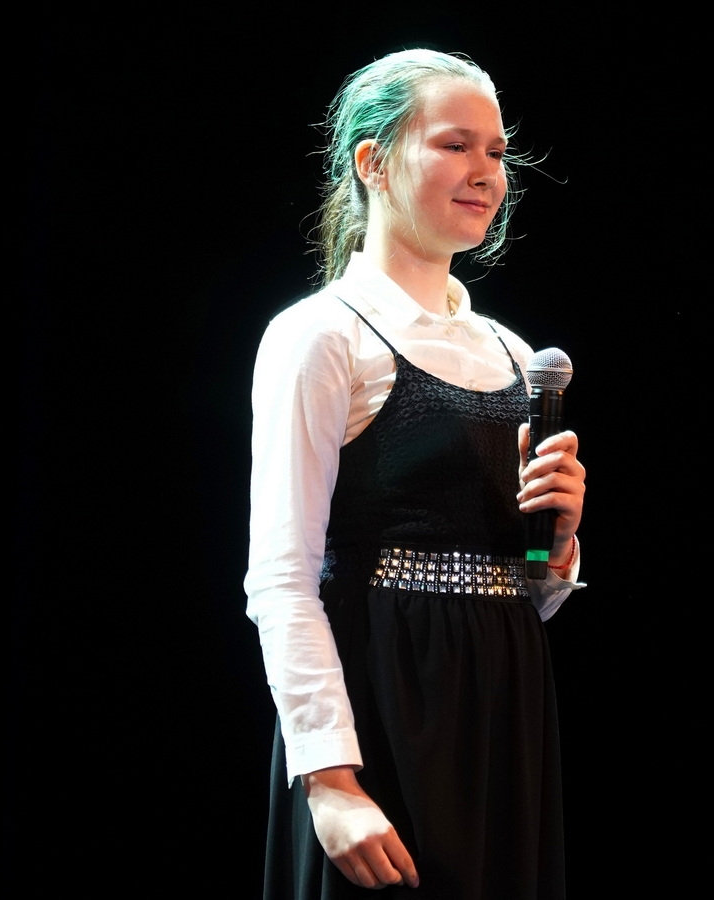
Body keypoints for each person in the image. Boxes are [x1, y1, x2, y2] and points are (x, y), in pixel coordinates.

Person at [245, 49, 586, 898]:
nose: (486, 172)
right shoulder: (323, 335)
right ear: (372, 162)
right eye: (454, 145)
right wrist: (329, 779)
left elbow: (532, 587)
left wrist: (557, 546)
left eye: (496, 151)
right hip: (384, 700)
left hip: (503, 702)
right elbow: (282, 576)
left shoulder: (512, 352)